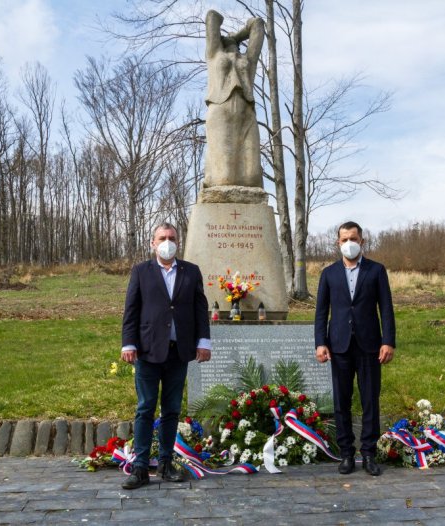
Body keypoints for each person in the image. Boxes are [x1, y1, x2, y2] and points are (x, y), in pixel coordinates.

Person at [120, 223, 212, 490]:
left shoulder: (191, 271)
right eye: (162, 238)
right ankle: (139, 468)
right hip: (148, 351)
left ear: (178, 242)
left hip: (179, 351)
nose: (167, 242)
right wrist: (128, 344)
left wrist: (203, 342)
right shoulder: (141, 271)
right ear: (153, 242)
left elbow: (199, 308)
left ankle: (165, 462)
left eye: (172, 238)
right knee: (145, 408)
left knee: (172, 410)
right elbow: (131, 310)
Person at [314, 221, 396, 476]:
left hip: (370, 345)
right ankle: (347, 454)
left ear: (362, 241)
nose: (349, 243)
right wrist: (320, 343)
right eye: (344, 239)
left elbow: (386, 309)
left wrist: (388, 341)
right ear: (338, 243)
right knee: (342, 401)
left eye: (354, 238)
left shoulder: (376, 271)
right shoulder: (328, 273)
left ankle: (369, 454)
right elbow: (321, 312)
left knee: (370, 399)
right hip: (338, 346)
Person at [203, 9, 264, 188]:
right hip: (221, 108)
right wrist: (228, 39)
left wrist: (239, 36)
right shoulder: (214, 55)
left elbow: (258, 25)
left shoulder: (247, 61)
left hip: (246, 111)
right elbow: (212, 17)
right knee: (224, 179)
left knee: (251, 178)